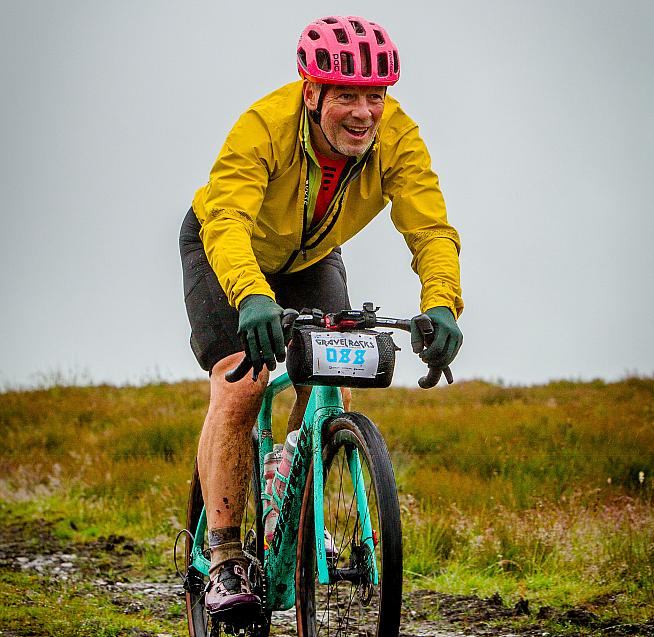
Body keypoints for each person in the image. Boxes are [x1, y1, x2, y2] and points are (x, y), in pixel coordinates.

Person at [179, 15, 464, 622]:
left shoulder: (398, 140)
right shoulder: (264, 128)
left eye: (375, 97)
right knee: (243, 380)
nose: (364, 113)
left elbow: (432, 231)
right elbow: (226, 219)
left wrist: (442, 302)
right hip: (224, 246)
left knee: (336, 365)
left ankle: (295, 481)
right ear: (313, 93)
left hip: (310, 254)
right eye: (347, 97)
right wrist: (251, 296)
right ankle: (225, 555)